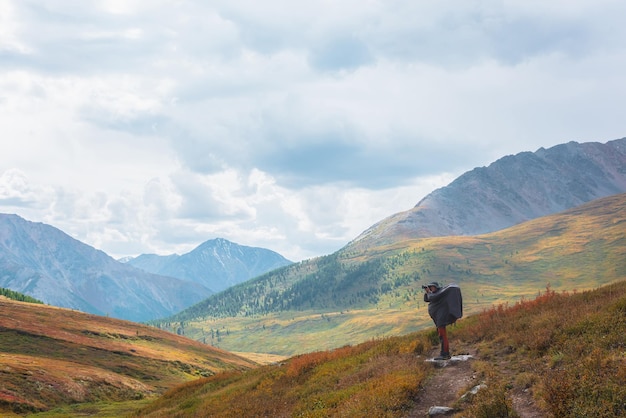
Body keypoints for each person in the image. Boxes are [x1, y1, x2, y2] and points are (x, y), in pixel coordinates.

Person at [423, 282, 463, 360]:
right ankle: (444, 353)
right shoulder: (436, 294)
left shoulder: (439, 294)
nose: (431, 289)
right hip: (439, 319)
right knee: (441, 336)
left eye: (432, 287)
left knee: (442, 336)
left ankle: (445, 354)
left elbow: (431, 297)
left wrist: (428, 292)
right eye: (430, 287)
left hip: (441, 319)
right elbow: (426, 299)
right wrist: (427, 292)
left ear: (436, 287)